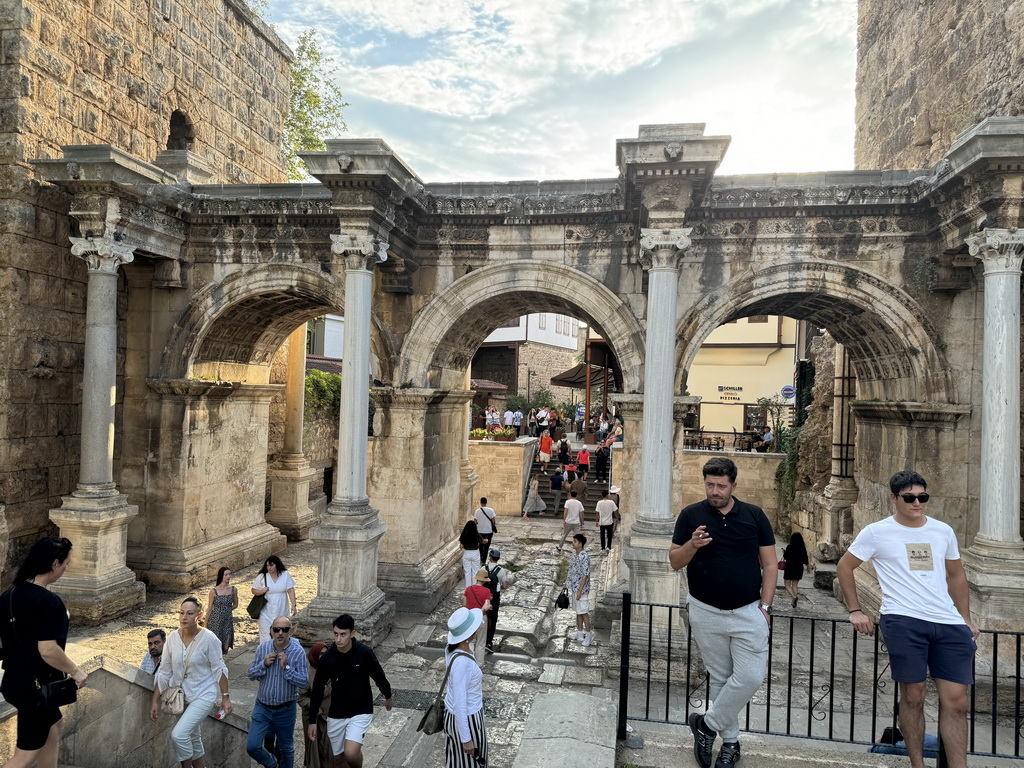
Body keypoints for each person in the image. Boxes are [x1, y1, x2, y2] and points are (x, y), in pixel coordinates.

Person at [838, 470, 977, 768]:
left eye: (922, 497)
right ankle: (917, 765)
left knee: (958, 702)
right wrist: (855, 610)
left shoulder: (942, 531)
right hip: (903, 619)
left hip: (948, 622)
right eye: (910, 498)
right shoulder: (876, 532)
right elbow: (844, 567)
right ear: (894, 498)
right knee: (913, 696)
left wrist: (965, 618)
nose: (917, 503)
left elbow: (956, 575)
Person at [669, 457, 776, 768]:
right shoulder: (691, 515)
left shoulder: (754, 516)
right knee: (720, 677)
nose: (714, 491)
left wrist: (765, 606)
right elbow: (675, 561)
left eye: (721, 485)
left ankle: (706, 725)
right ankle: (730, 744)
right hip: (705, 610)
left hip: (747, 611)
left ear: (734, 485)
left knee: (752, 676)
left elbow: (770, 565)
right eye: (710, 485)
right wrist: (693, 544)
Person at [0, 536, 87, 768]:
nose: (66, 569)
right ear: (54, 564)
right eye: (66, 563)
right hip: (35, 689)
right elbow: (48, 650)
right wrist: (76, 671)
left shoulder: (8, 597)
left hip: (14, 683)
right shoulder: (48, 602)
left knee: (53, 726)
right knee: (25, 755)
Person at [150, 597, 232, 768]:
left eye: (189, 613)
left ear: (199, 615)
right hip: (181, 696)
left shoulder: (210, 639)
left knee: (179, 735)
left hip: (204, 694)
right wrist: (154, 701)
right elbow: (164, 671)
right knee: (193, 737)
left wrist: (225, 697)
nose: (184, 617)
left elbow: (219, 669)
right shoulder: (172, 638)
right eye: (181, 613)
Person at [307, 614, 394, 768]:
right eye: (336, 634)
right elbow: (318, 689)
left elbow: (378, 675)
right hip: (337, 713)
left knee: (351, 753)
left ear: (352, 633)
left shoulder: (364, 653)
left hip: (361, 709)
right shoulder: (327, 658)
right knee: (339, 759)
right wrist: (312, 720)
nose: (338, 639)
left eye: (343, 634)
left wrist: (388, 695)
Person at [246, 616, 309, 768]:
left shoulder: (297, 652)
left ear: (290, 632)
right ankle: (272, 763)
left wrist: (287, 668)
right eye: (277, 629)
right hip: (263, 707)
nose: (280, 633)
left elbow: (304, 682)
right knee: (253, 746)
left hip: (285, 709)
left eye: (285, 629)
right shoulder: (263, 649)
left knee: (286, 748)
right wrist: (263, 664)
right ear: (271, 631)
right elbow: (251, 674)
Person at [442, 607, 487, 768]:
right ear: (468, 635)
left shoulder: (451, 649)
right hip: (467, 718)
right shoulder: (463, 663)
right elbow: (460, 702)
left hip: (453, 716)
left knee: (455, 762)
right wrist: (466, 738)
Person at [299, 642, 335, 768]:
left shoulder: (332, 668)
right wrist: (315, 708)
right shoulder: (307, 674)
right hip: (312, 716)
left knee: (329, 748)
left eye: (326, 654)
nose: (323, 657)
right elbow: (301, 697)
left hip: (329, 714)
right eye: (320, 654)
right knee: (314, 749)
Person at [252, 555, 298, 643]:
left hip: (281, 609)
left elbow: (290, 590)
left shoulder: (285, 575)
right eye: (267, 566)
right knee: (265, 636)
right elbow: (253, 590)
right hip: (265, 611)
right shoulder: (262, 576)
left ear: (277, 565)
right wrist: (261, 591)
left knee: (281, 634)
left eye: (271, 565)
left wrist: (293, 605)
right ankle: (265, 654)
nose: (269, 568)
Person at [566, 534, 593, 646]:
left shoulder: (584, 557)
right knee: (578, 611)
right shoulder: (574, 554)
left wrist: (580, 590)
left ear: (580, 544)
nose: (573, 543)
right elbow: (571, 569)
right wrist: (566, 583)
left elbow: (585, 575)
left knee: (583, 612)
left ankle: (589, 634)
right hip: (574, 586)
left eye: (575, 541)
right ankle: (579, 633)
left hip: (581, 589)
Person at [483, 548, 512, 653]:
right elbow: (504, 586)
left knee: (482, 617)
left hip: (483, 597)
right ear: (497, 559)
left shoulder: (483, 568)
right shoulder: (501, 571)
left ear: (490, 558)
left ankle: (480, 641)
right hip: (494, 598)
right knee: (492, 620)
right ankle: (489, 643)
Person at [463, 569, 493, 667]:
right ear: (484, 580)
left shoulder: (468, 589)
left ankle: (470, 662)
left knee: (471, 641)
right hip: (481, 617)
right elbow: (487, 605)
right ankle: (479, 664)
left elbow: (465, 604)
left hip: (470, 617)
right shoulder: (487, 591)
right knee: (481, 642)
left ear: (477, 579)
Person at [205, 566, 238, 653]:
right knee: (215, 647)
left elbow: (235, 604)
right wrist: (205, 625)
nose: (228, 577)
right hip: (215, 621)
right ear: (221, 576)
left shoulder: (233, 590)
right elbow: (209, 609)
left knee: (226, 646)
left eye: (229, 574)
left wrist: (226, 610)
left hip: (227, 620)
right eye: (226, 574)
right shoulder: (213, 591)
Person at [781, 532, 812, 609]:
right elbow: (805, 559)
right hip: (798, 568)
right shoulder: (802, 548)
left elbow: (786, 557)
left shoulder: (789, 547)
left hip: (789, 568)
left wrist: (784, 552)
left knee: (787, 585)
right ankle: (793, 600)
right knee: (795, 584)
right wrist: (808, 567)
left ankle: (794, 597)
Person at [459, 520, 482, 588]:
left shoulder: (464, 535)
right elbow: (481, 541)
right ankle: (475, 588)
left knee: (467, 572)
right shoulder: (477, 535)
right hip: (475, 553)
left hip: (467, 553)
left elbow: (461, 546)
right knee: (475, 571)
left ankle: (468, 588)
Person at [473, 499, 497, 563]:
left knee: (480, 545)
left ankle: (481, 559)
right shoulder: (491, 510)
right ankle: (484, 560)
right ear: (486, 502)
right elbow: (493, 520)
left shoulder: (477, 511)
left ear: (480, 502)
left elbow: (475, 521)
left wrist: (479, 523)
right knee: (486, 546)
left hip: (480, 531)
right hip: (488, 531)